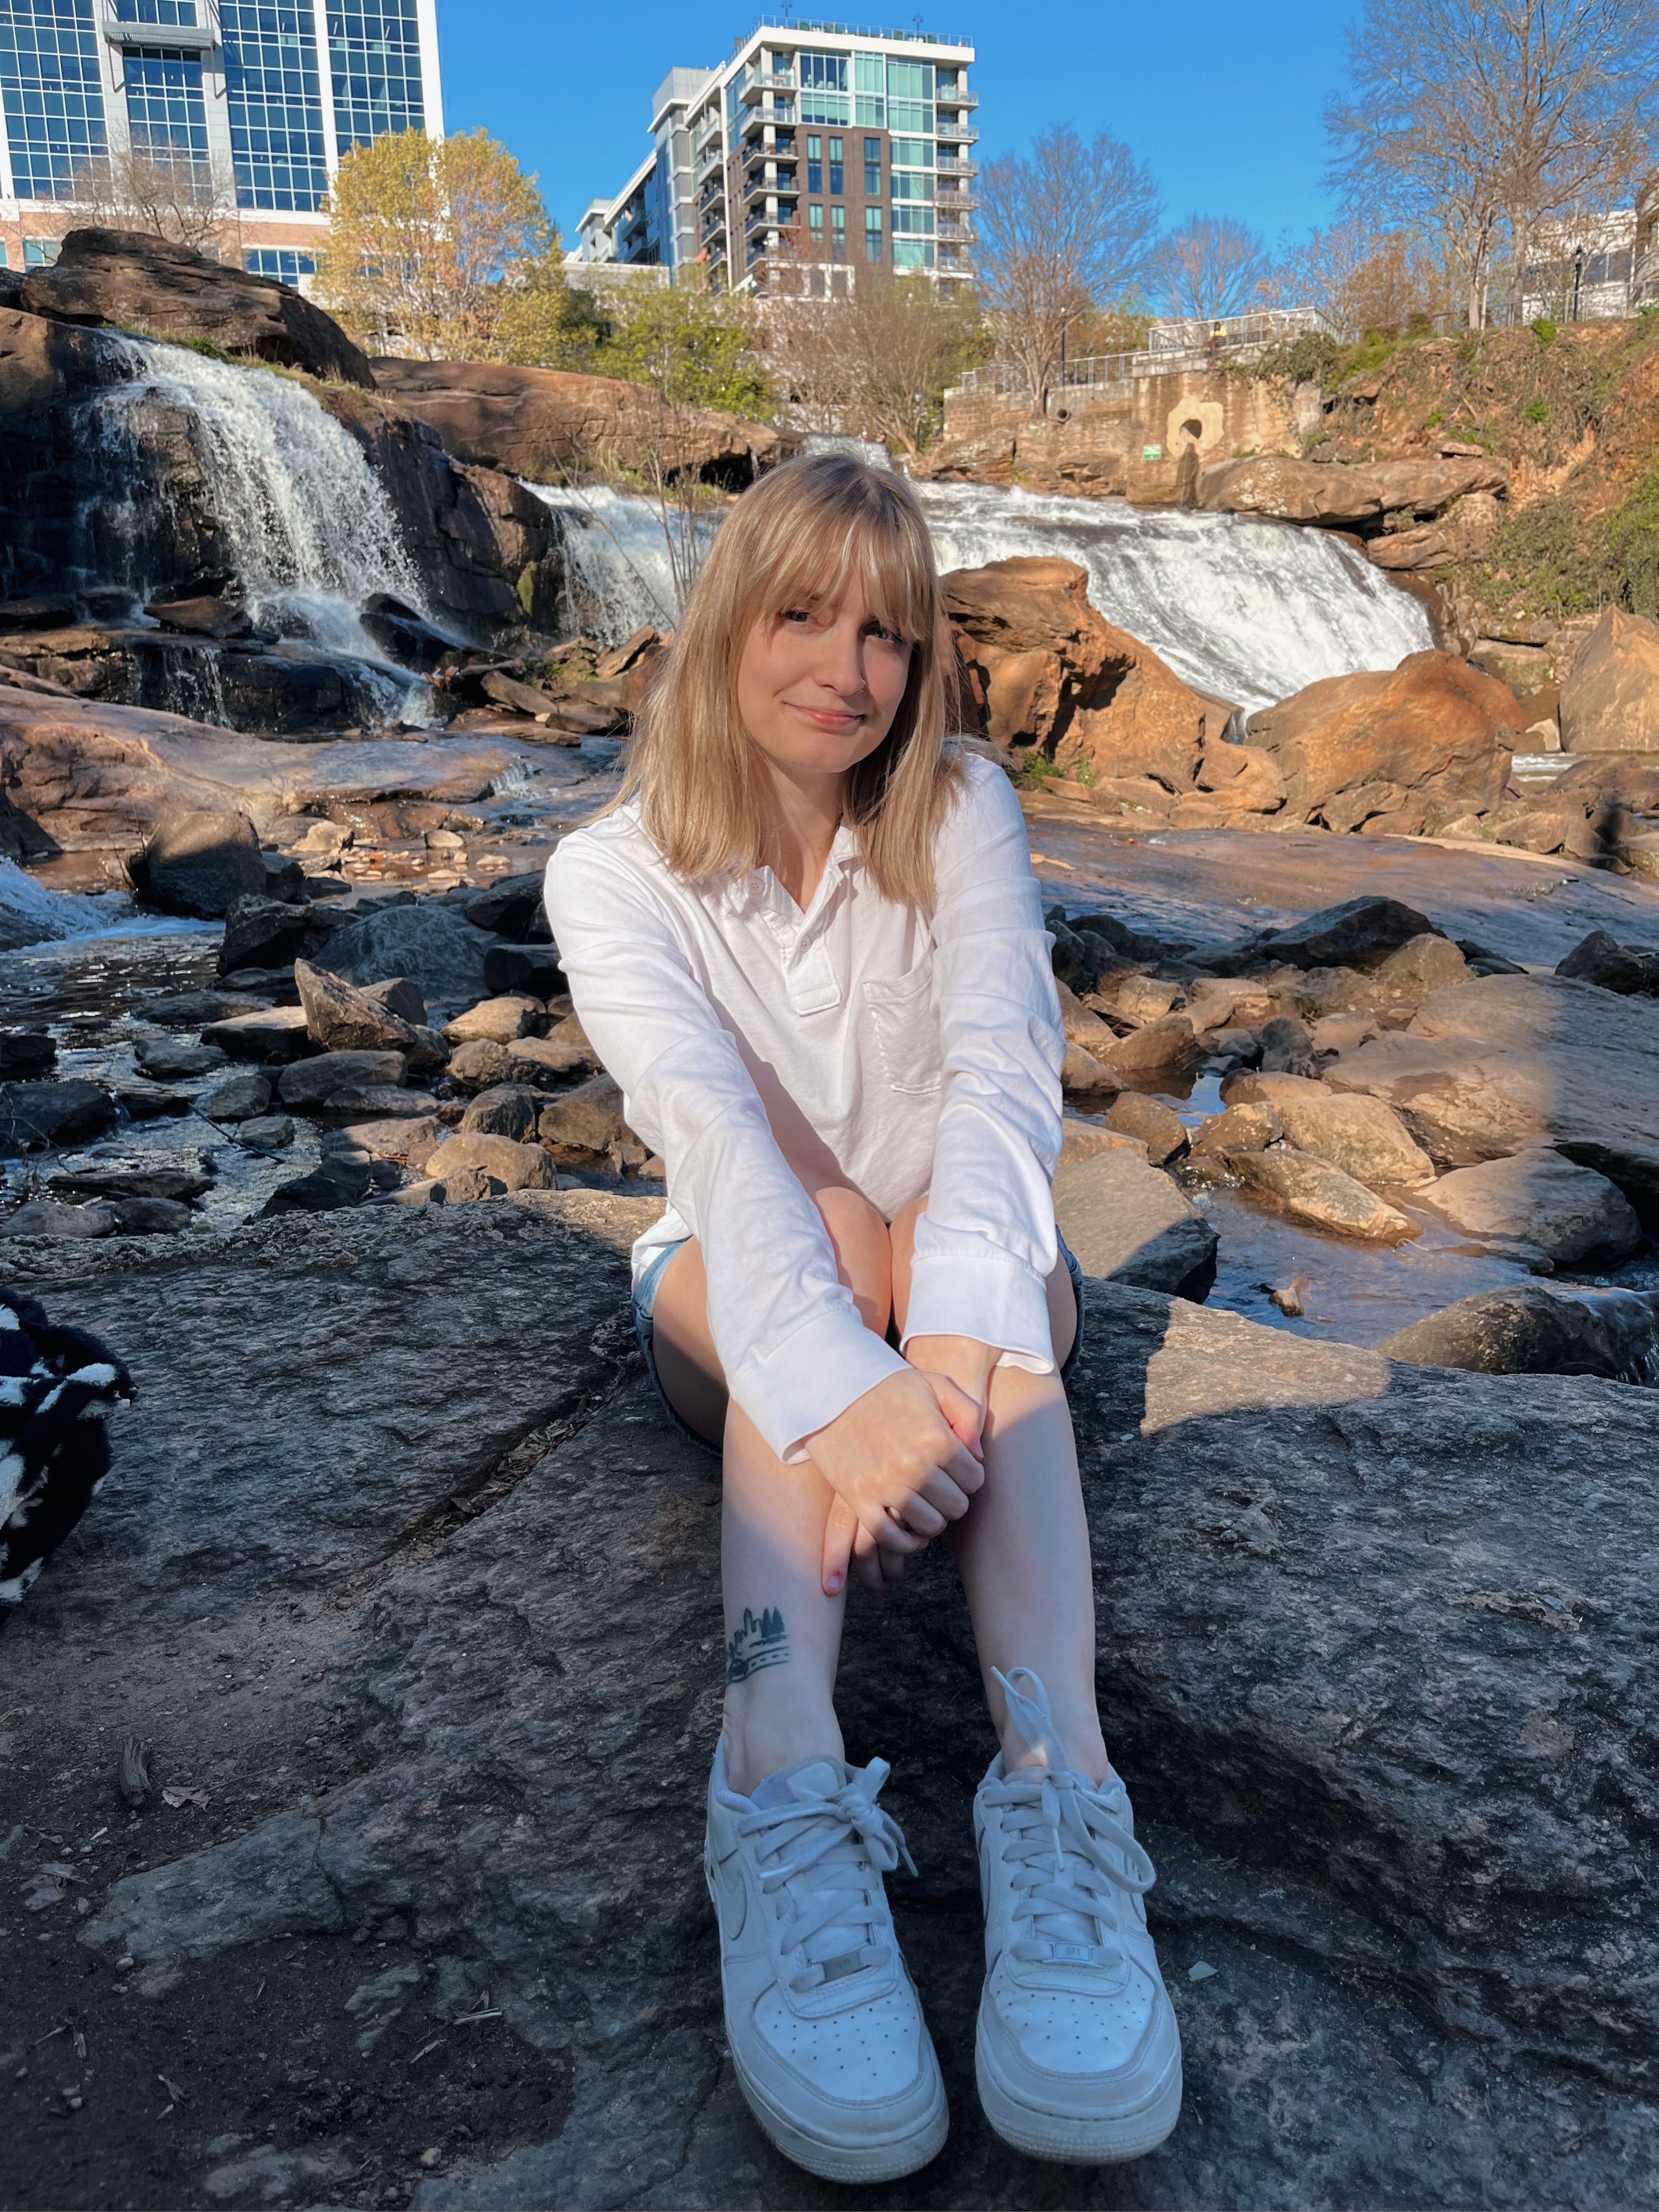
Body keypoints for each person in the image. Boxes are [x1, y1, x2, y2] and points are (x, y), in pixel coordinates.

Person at [544, 454, 1182, 2183]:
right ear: (724, 622)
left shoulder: (961, 804)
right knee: (821, 1214)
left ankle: (1059, 1789)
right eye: (804, 613)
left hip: (963, 1301)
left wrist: (952, 1365)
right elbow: (714, 1140)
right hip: (737, 1291)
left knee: (966, 1253)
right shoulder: (609, 874)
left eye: (890, 633)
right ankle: (775, 1769)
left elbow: (1001, 1070)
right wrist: (846, 1393)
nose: (847, 667)